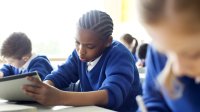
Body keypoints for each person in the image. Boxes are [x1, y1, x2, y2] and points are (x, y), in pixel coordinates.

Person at [22, 10, 142, 112]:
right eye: (77, 42)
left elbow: (111, 95)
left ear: (108, 41)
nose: (81, 51)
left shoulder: (119, 55)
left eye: (90, 46)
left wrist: (59, 97)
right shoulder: (79, 54)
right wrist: (44, 88)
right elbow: (60, 75)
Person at [138, 0, 200, 112]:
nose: (178, 70)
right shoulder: (157, 51)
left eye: (193, 55)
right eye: (165, 52)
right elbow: (154, 100)